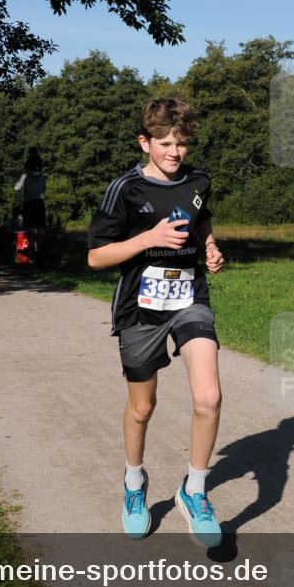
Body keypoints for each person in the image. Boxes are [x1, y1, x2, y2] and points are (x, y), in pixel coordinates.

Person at [87, 97, 226, 546]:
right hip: (140, 308)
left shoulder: (199, 181)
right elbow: (96, 257)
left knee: (209, 397)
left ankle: (194, 491)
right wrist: (148, 238)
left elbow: (202, 221)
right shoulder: (125, 189)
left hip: (189, 299)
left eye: (181, 143)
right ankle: (134, 483)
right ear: (144, 142)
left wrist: (210, 248)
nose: (174, 152)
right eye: (165, 143)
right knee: (142, 408)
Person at [14, 148, 46, 255]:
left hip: (29, 202)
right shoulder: (42, 176)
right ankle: (40, 245)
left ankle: (31, 244)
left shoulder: (25, 176)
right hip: (40, 201)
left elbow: (16, 188)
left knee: (30, 225)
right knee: (40, 225)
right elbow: (44, 188)